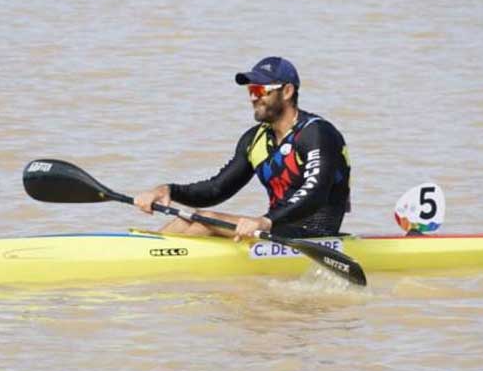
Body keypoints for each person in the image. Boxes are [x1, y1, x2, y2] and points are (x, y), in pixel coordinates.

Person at [134, 57, 351, 241]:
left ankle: (146, 264)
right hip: (274, 230)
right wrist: (168, 190)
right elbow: (216, 189)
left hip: (316, 236)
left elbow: (316, 193)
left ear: (287, 91)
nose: (253, 97)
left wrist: (266, 221)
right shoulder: (254, 140)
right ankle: (139, 252)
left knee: (205, 220)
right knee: (186, 219)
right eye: (250, 90)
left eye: (260, 89)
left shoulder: (317, 134)